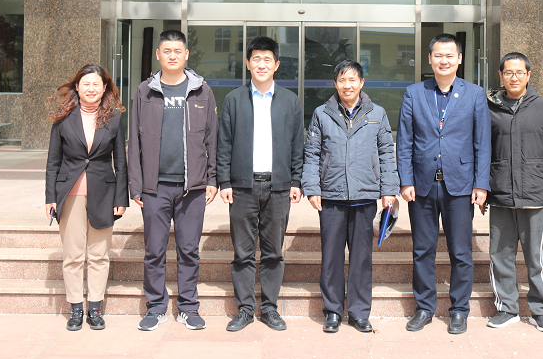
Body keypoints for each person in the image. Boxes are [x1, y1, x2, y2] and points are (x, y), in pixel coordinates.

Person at [396, 33, 491, 334]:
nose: (444, 60)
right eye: (438, 55)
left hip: (460, 186)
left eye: (450, 55)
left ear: (459, 59)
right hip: (422, 185)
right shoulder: (414, 93)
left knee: (460, 252)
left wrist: (481, 184)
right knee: (422, 250)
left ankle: (459, 310)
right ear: (430, 59)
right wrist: (405, 180)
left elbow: (483, 143)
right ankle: (424, 307)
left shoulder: (474, 94)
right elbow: (405, 141)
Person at [128, 30, 219, 331]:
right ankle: (155, 308)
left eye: (177, 51)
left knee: (189, 250)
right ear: (158, 54)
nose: (172, 55)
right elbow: (133, 141)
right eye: (166, 51)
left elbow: (213, 139)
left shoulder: (202, 91)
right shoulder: (145, 91)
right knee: (154, 251)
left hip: (192, 187)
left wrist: (212, 178)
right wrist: (136, 185)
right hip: (154, 187)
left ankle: (188, 307)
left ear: (186, 54)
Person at [301, 60, 400, 333]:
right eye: (342, 80)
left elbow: (386, 153)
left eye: (353, 80)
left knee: (361, 260)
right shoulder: (321, 113)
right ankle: (333, 311)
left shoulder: (377, 113)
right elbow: (312, 153)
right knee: (331, 258)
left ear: (361, 83)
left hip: (364, 197)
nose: (348, 85)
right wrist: (312, 188)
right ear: (335, 83)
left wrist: (389, 190)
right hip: (331, 198)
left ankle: (359, 313)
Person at [217, 36, 305, 332]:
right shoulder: (234, 99)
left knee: (273, 251)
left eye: (268, 59)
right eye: (256, 59)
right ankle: (244, 309)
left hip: (278, 187)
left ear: (277, 64)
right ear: (247, 63)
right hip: (242, 187)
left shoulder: (290, 101)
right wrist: (224, 181)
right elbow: (224, 143)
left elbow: (298, 144)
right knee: (242, 252)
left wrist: (296, 179)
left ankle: (269, 308)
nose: (262, 64)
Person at [485, 52, 543, 333]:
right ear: (500, 75)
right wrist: (482, 188)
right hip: (500, 194)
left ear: (529, 75)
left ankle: (539, 310)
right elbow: (481, 151)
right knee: (500, 256)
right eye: (509, 72)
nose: (514, 77)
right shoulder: (489, 109)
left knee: (536, 258)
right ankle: (506, 308)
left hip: (535, 195)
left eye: (520, 72)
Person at [45, 64, 128, 331]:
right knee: (72, 255)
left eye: (96, 84)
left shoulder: (114, 119)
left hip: (104, 194)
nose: (91, 89)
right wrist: (50, 197)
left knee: (99, 254)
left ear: (104, 89)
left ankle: (94, 308)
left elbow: (121, 162)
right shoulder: (63, 118)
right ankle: (76, 308)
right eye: (86, 84)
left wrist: (121, 198)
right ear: (77, 87)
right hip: (69, 194)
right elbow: (53, 161)